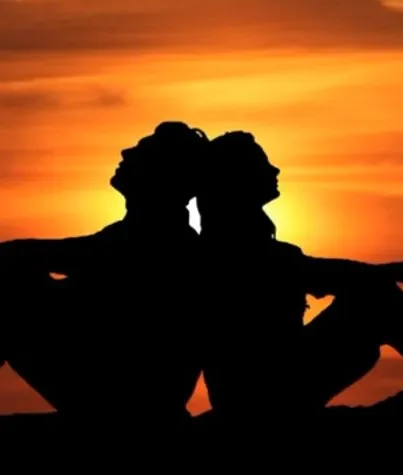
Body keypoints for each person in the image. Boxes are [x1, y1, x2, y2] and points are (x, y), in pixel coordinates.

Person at [0, 122, 208, 430]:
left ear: (163, 174)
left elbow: (59, 257)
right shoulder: (137, 234)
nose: (127, 152)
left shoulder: (158, 238)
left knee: (9, 284)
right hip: (120, 387)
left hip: (131, 397)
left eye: (143, 151)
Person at [196, 131, 403, 421]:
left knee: (374, 288)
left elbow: (315, 272)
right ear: (238, 179)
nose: (274, 170)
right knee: (376, 293)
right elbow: (318, 273)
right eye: (262, 164)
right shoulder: (230, 248)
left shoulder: (253, 247)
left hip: (275, 380)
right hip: (263, 391)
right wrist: (390, 272)